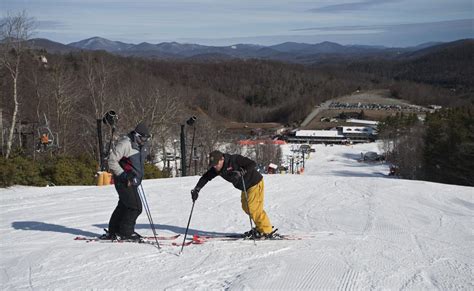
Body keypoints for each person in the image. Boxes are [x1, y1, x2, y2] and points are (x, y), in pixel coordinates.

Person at [191, 150, 277, 239]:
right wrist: (197, 189)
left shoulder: (234, 159)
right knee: (246, 207)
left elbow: (252, 163)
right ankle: (260, 228)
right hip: (245, 187)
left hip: (254, 183)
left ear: (222, 159)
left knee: (253, 208)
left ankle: (266, 231)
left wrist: (242, 171)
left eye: (216, 164)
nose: (215, 166)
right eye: (213, 165)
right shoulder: (217, 169)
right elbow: (206, 177)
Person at [101, 121, 151, 241]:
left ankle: (114, 230)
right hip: (123, 180)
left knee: (124, 205)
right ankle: (126, 232)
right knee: (135, 207)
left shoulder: (141, 145)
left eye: (146, 138)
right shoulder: (125, 144)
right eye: (142, 138)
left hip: (132, 180)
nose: (144, 141)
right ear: (136, 135)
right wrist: (124, 175)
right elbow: (112, 161)